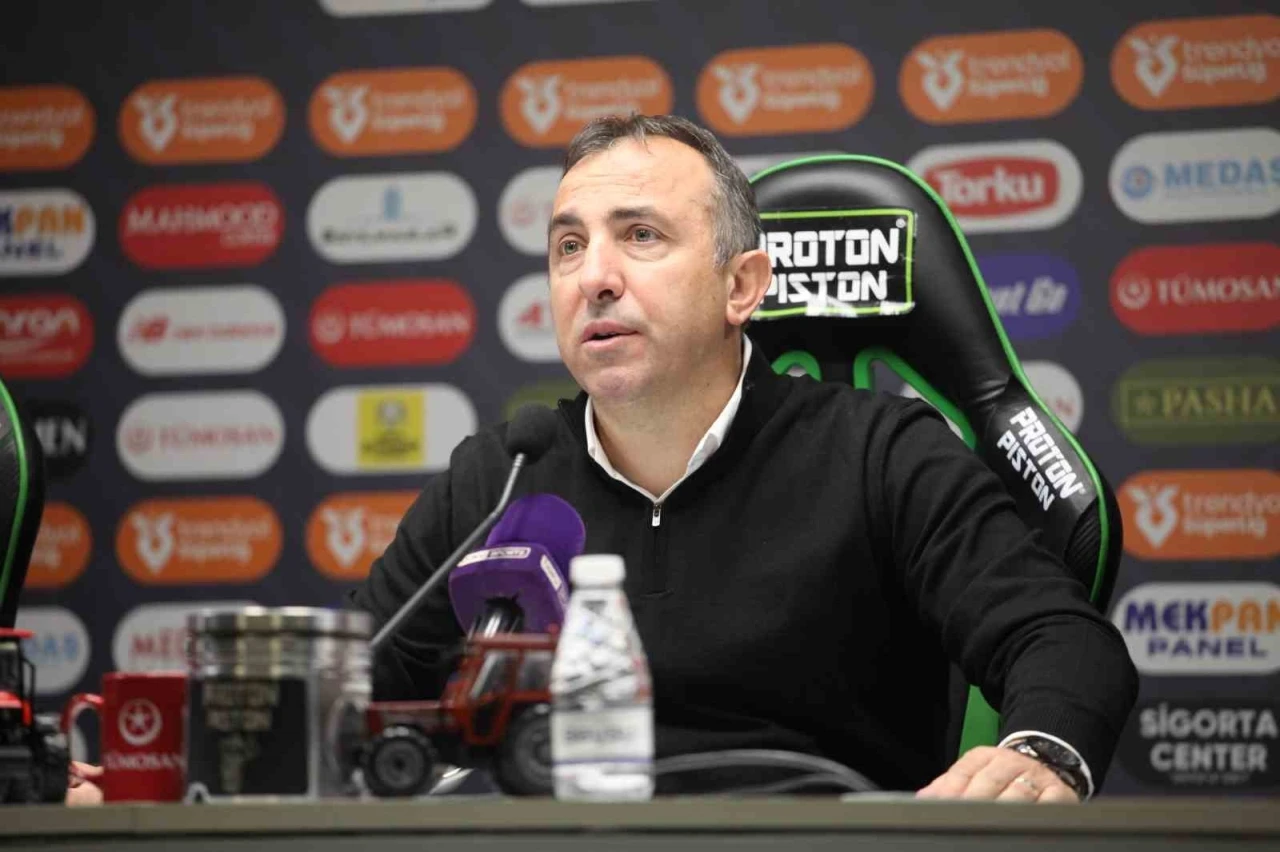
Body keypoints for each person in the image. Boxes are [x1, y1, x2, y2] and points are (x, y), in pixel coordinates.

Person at [354, 113, 1137, 802]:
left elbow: (1062, 641)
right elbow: (353, 687)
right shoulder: (501, 480)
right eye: (569, 246)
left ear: (742, 287)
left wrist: (1040, 754)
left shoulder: (882, 455)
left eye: (641, 236)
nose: (594, 277)